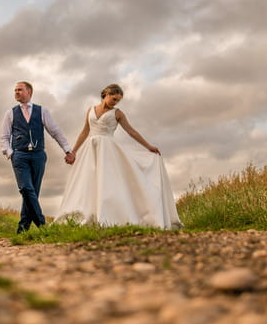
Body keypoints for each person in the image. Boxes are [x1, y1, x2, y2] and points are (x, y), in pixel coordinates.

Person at [55, 84, 182, 229]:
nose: (115, 102)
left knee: (107, 182)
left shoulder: (118, 113)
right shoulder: (90, 110)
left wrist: (148, 146)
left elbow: (131, 131)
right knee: (88, 181)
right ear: (106, 94)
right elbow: (84, 132)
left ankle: (108, 215)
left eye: (118, 101)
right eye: (114, 99)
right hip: (90, 148)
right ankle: (90, 214)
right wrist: (74, 151)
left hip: (108, 149)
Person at [0, 81, 75, 233]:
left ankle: (22, 229)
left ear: (29, 92)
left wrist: (67, 150)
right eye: (15, 90)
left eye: (19, 90)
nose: (16, 92)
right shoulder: (10, 113)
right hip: (19, 155)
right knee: (26, 189)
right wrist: (9, 153)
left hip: (38, 155)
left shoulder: (42, 111)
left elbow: (55, 131)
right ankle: (42, 225)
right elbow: (4, 136)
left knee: (32, 191)